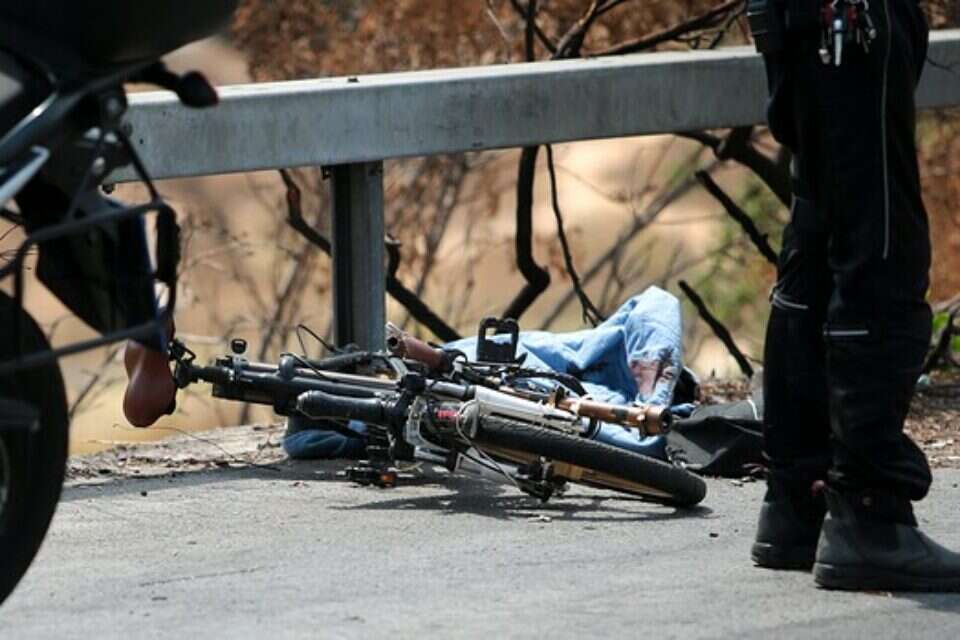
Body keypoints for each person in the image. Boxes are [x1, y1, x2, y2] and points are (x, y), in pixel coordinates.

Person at [748, 0, 960, 590]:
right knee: (882, 249)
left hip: (811, 21)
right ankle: (869, 512)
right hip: (848, 21)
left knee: (820, 227)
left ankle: (800, 497)